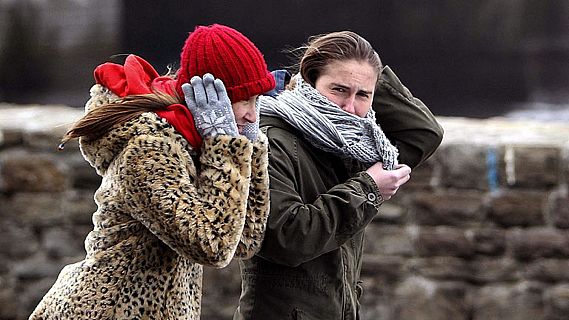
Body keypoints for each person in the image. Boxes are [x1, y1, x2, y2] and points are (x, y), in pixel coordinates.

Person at [29, 24, 275, 320]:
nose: (252, 113)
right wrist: (225, 148)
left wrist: (250, 147)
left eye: (257, 100)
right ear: (208, 98)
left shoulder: (199, 142)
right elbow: (214, 246)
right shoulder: (150, 149)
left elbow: (245, 240)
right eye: (244, 100)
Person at [234, 31, 444, 319]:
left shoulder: (353, 144)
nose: (349, 107)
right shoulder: (271, 139)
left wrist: (366, 76)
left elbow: (423, 134)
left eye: (363, 95)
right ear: (308, 82)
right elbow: (285, 238)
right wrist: (368, 189)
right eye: (339, 90)